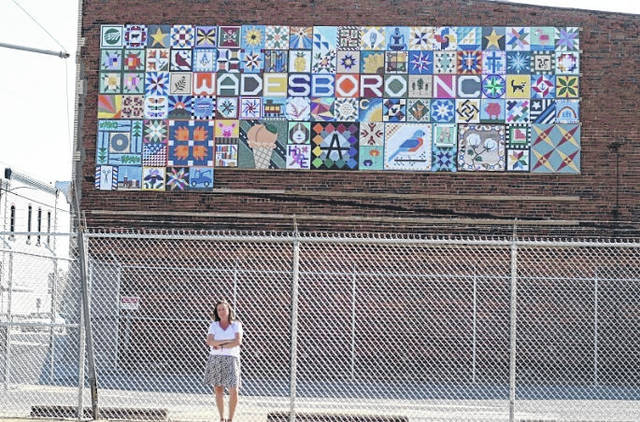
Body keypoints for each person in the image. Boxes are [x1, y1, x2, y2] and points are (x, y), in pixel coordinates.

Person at [204, 300, 243, 422]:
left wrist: (219, 344)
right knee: (218, 389)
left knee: (233, 390)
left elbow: (237, 341)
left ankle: (230, 419)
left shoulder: (236, 324)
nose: (221, 311)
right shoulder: (214, 325)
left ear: (229, 310)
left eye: (223, 309)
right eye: (219, 309)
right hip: (216, 358)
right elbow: (209, 342)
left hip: (231, 359)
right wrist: (227, 341)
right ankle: (222, 418)